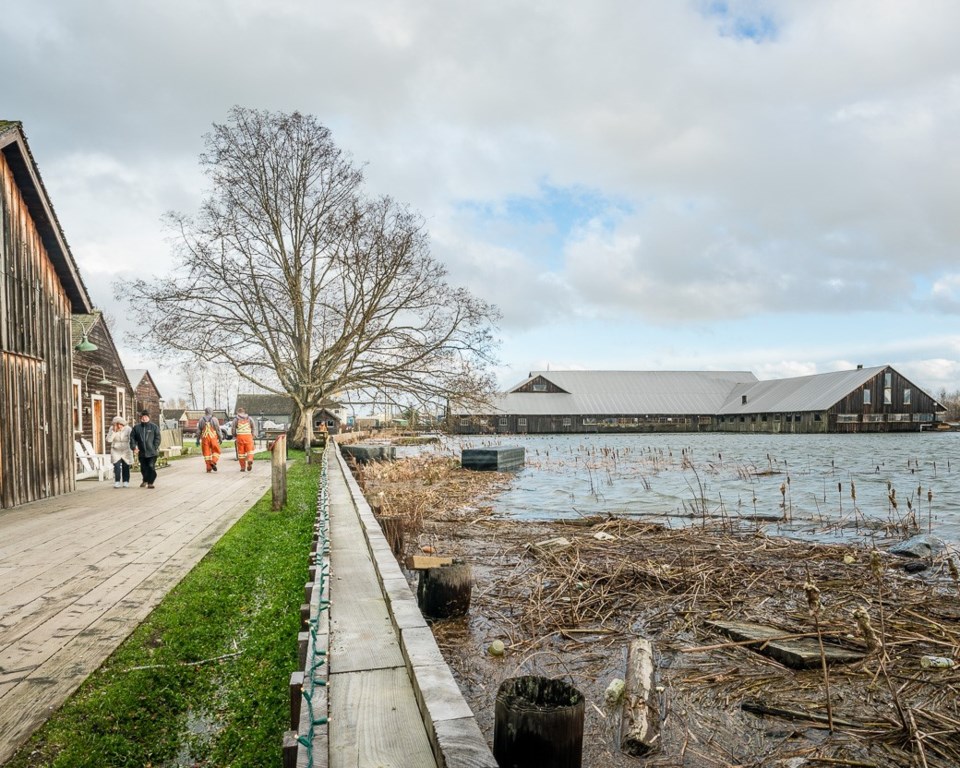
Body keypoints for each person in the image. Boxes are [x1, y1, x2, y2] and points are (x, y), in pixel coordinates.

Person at [130, 409, 162, 488]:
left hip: (152, 452)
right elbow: (132, 438)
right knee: (144, 468)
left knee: (151, 466)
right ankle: (145, 480)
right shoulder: (136, 428)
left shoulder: (154, 427)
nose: (144, 418)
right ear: (141, 418)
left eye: (146, 417)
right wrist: (134, 447)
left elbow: (158, 438)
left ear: (148, 417)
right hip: (142, 452)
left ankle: (150, 482)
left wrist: (154, 447)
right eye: (143, 417)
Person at [106, 416, 133, 488]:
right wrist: (114, 432)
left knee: (126, 465)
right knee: (117, 466)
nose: (119, 426)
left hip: (126, 448)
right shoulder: (112, 429)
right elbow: (109, 440)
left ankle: (126, 481)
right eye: (117, 424)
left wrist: (134, 447)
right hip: (116, 449)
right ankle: (117, 481)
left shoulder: (128, 429)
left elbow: (132, 438)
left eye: (120, 424)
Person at [196, 406, 222, 473]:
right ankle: (213, 461)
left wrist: (197, 440)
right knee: (217, 451)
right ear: (211, 412)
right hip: (213, 438)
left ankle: (208, 468)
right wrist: (220, 438)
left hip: (205, 439)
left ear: (205, 412)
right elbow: (218, 430)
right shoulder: (215, 419)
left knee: (206, 454)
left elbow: (198, 431)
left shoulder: (201, 420)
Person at [232, 406, 256, 472]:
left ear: (238, 413)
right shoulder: (249, 418)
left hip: (240, 437)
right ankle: (250, 460)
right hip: (248, 436)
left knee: (241, 453)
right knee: (250, 450)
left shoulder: (236, 419)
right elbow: (253, 427)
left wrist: (234, 435)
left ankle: (242, 467)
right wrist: (253, 434)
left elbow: (233, 428)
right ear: (244, 412)